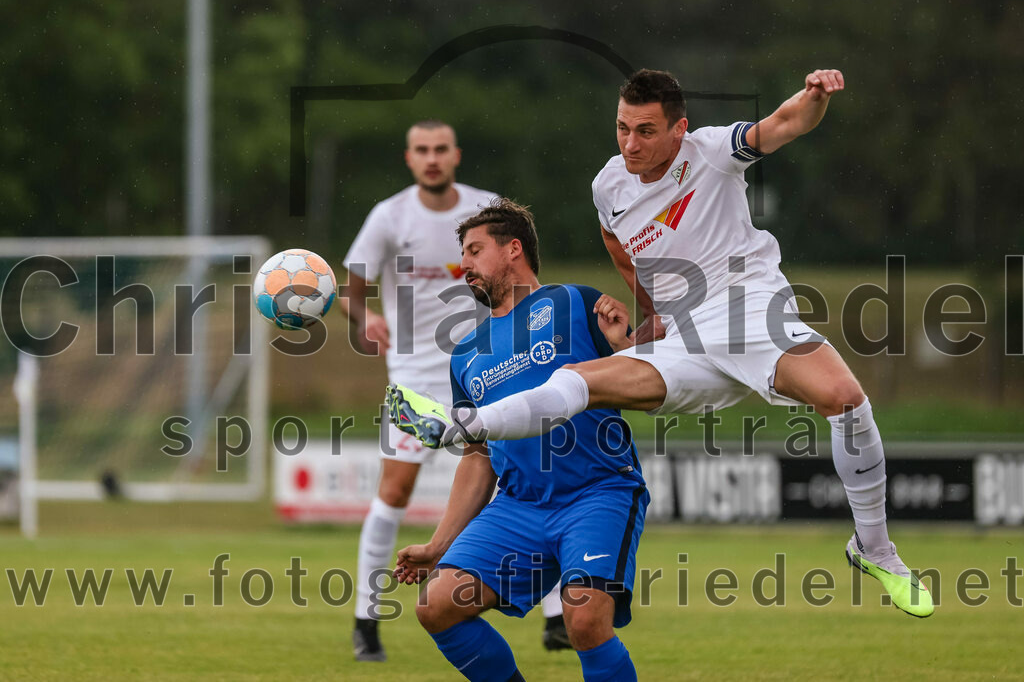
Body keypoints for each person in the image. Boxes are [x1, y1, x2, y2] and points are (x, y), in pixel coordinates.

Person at [389, 71, 935, 618]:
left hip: (749, 314)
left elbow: (786, 122)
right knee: (581, 379)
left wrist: (815, 97)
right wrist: (651, 309)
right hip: (685, 339)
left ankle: (874, 547)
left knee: (845, 399)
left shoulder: (715, 151)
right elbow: (615, 238)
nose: (630, 144)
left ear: (680, 130)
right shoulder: (609, 185)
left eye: (646, 131)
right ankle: (462, 427)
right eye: (622, 129)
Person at [389, 199, 648, 682]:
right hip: (519, 506)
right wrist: (440, 543)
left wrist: (624, 348)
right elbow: (478, 455)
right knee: (437, 606)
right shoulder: (465, 353)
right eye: (461, 255)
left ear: (513, 249)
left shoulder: (574, 302)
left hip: (597, 494)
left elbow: (651, 392)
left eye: (473, 250)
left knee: (585, 620)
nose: (462, 265)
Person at [340, 121, 568, 662]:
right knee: (393, 493)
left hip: (492, 366)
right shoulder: (389, 216)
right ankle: (366, 619)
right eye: (422, 150)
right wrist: (364, 316)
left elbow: (525, 272)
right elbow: (351, 288)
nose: (432, 158)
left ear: (456, 155)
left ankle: (558, 617)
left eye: (440, 149)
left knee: (536, 478)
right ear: (409, 158)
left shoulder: (485, 210)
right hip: (416, 378)